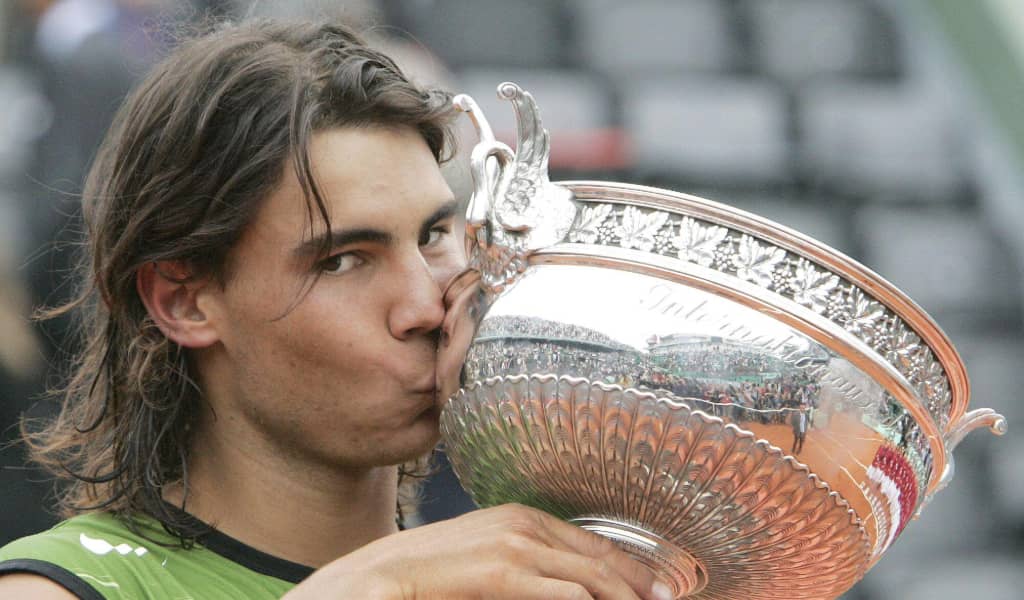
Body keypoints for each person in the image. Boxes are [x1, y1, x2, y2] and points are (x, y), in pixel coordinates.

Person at [0, 19, 671, 600]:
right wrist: (379, 584)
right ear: (184, 302)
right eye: (343, 260)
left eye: (434, 235)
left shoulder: (521, 578)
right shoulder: (58, 586)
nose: (424, 305)